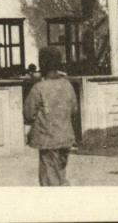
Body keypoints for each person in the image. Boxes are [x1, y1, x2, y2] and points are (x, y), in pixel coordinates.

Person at [23, 47, 78, 186]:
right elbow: (74, 110)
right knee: (60, 174)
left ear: (42, 64)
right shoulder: (67, 85)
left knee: (49, 179)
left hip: (47, 140)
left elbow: (28, 114)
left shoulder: (39, 88)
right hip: (66, 137)